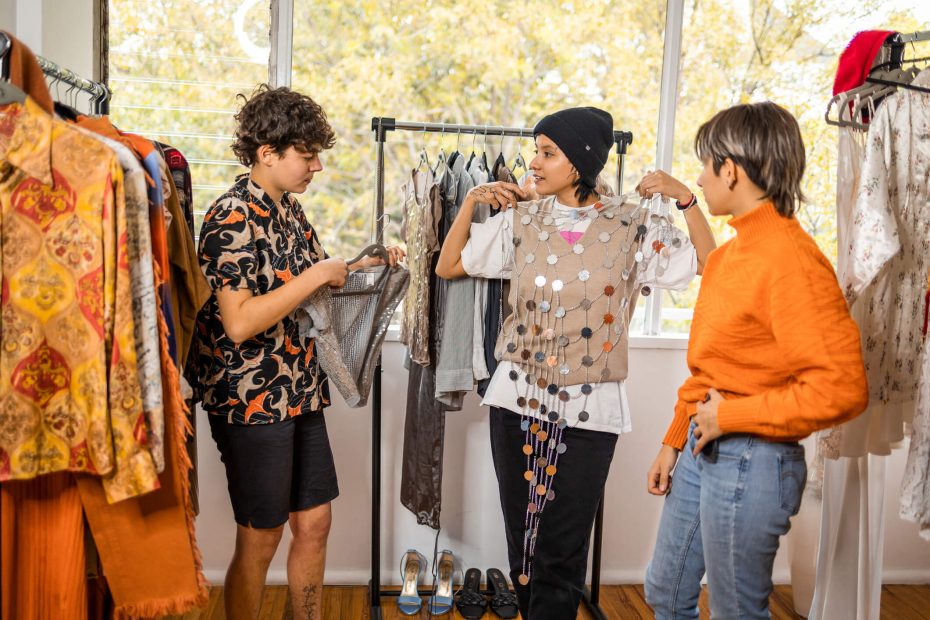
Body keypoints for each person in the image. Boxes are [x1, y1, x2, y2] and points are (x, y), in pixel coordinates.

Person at [436, 106, 716, 619]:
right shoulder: (521, 219)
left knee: (562, 549)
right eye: (536, 152)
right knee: (523, 544)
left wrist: (687, 200)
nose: (535, 164)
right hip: (516, 401)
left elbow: (706, 263)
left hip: (591, 409)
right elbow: (448, 265)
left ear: (581, 161)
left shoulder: (631, 225)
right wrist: (471, 204)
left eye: (548, 153)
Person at [643, 102, 869, 619]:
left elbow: (842, 387)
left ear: (731, 170)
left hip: (755, 459)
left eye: (706, 166)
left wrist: (731, 416)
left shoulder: (793, 261)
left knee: (736, 611)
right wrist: (673, 441)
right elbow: (712, 369)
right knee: (665, 591)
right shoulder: (726, 258)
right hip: (704, 448)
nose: (699, 178)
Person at [189, 84, 403, 620]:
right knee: (262, 535)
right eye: (307, 157)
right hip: (249, 398)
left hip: (300, 390)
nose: (316, 168)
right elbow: (238, 323)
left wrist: (362, 267)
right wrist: (314, 275)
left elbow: (314, 287)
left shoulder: (289, 213)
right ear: (267, 153)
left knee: (314, 522)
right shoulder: (229, 218)